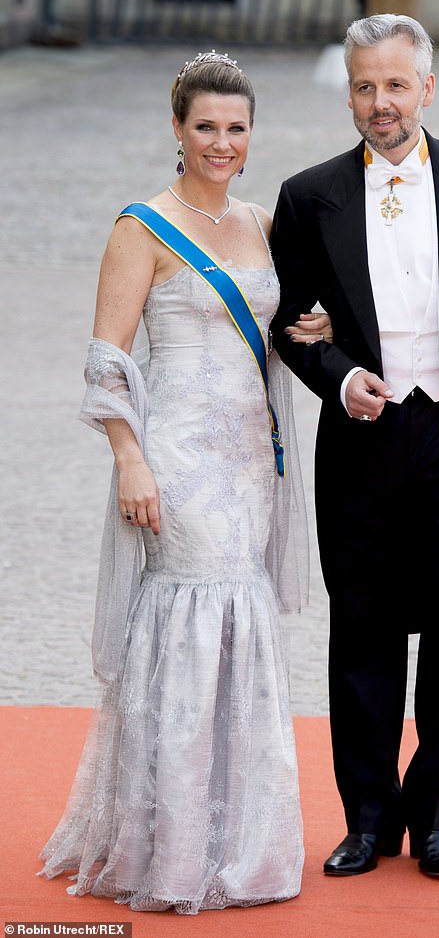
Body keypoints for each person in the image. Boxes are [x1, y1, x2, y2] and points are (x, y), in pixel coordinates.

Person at [38, 50, 331, 913]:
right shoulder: (141, 226)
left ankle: (240, 839)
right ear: (176, 129)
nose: (221, 142)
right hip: (177, 457)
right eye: (205, 126)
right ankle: (167, 844)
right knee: (191, 619)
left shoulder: (260, 222)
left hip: (249, 457)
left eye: (236, 129)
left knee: (240, 618)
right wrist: (130, 456)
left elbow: (269, 331)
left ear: (250, 137)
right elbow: (106, 358)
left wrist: (305, 326)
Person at [269, 14, 439, 879]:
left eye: (395, 85)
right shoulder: (308, 195)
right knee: (362, 630)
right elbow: (288, 325)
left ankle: (436, 819)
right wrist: (338, 376)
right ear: (347, 90)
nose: (379, 102)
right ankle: (365, 818)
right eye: (364, 86)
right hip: (363, 437)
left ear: (426, 87)